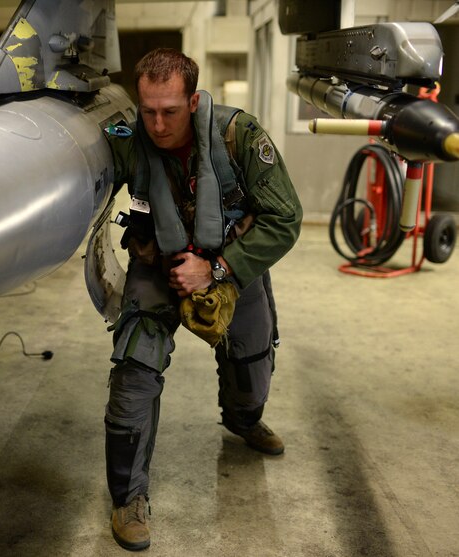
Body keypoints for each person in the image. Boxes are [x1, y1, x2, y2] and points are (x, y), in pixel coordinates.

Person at [101, 48, 302, 551]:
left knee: (252, 369)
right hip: (161, 265)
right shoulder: (127, 140)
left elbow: (285, 219)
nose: (158, 124)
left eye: (170, 110)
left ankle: (243, 420)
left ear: (192, 100)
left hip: (231, 263)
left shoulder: (239, 136)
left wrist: (216, 268)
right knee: (133, 373)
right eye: (147, 111)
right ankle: (128, 500)